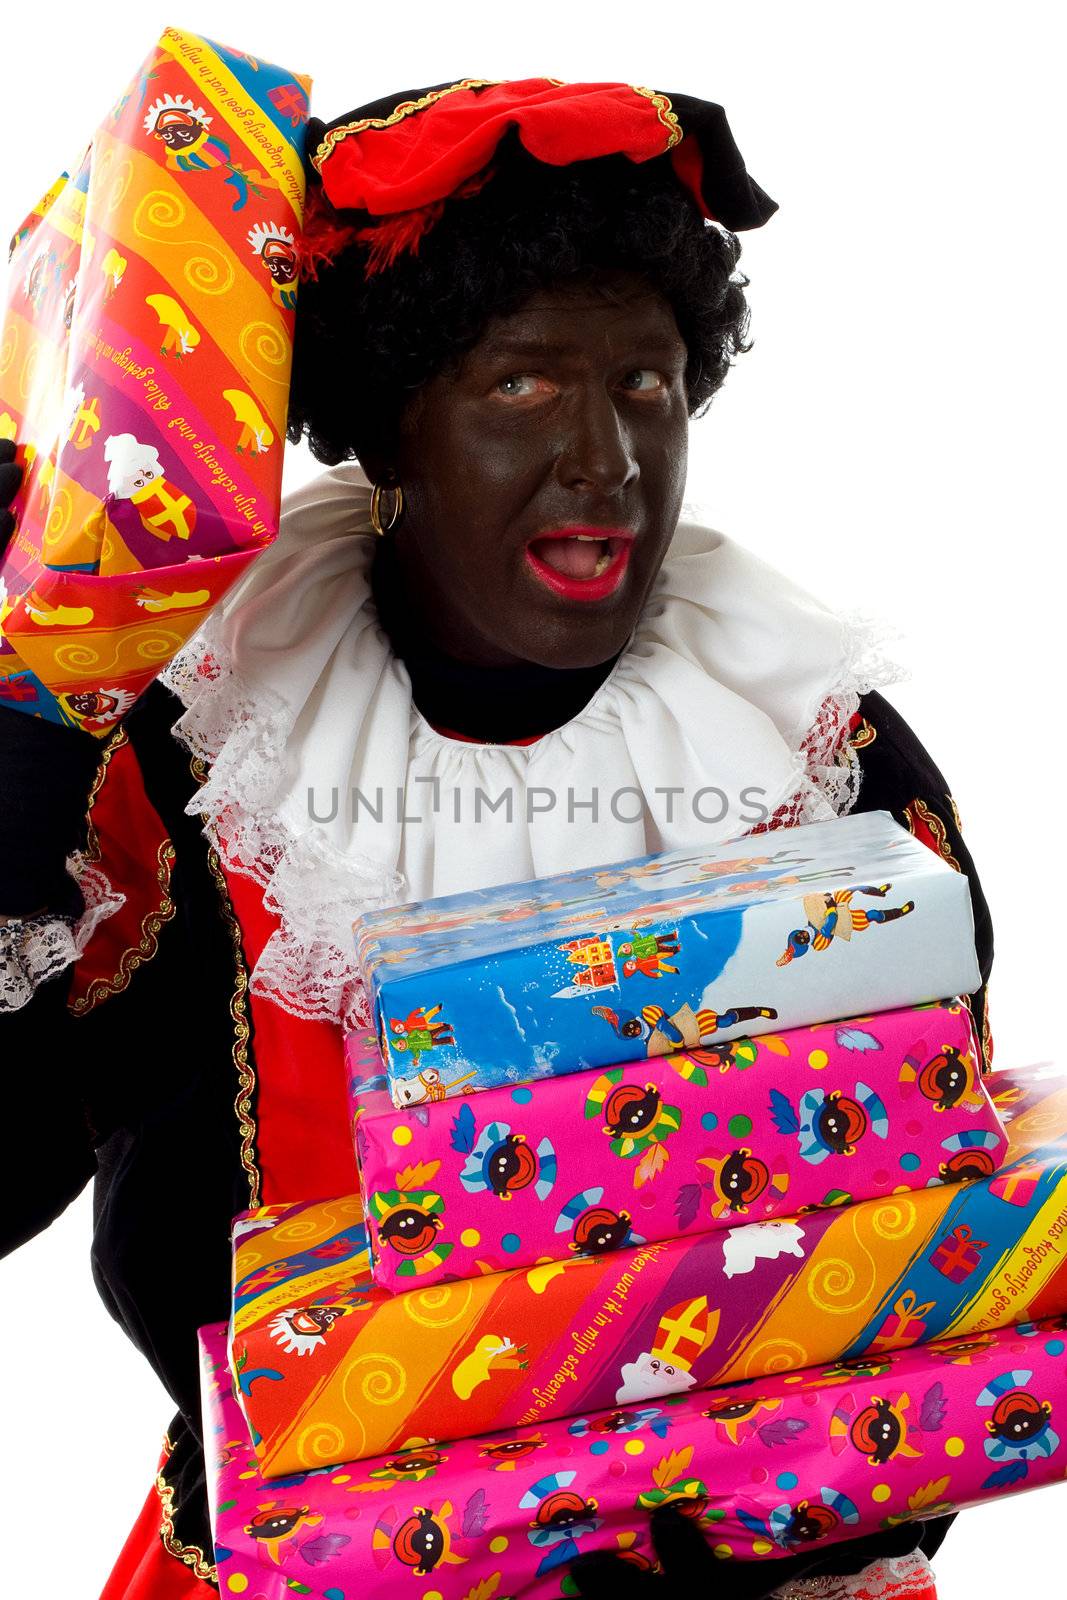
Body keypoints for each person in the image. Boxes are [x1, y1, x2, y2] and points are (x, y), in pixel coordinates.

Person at [0, 79, 991, 1600]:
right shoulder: (209, 751)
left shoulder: (803, 742)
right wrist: (13, 753)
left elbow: (940, 1186)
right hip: (298, 1562)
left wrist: (824, 1502)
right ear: (396, 423)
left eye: (647, 386)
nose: (606, 455)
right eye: (525, 386)